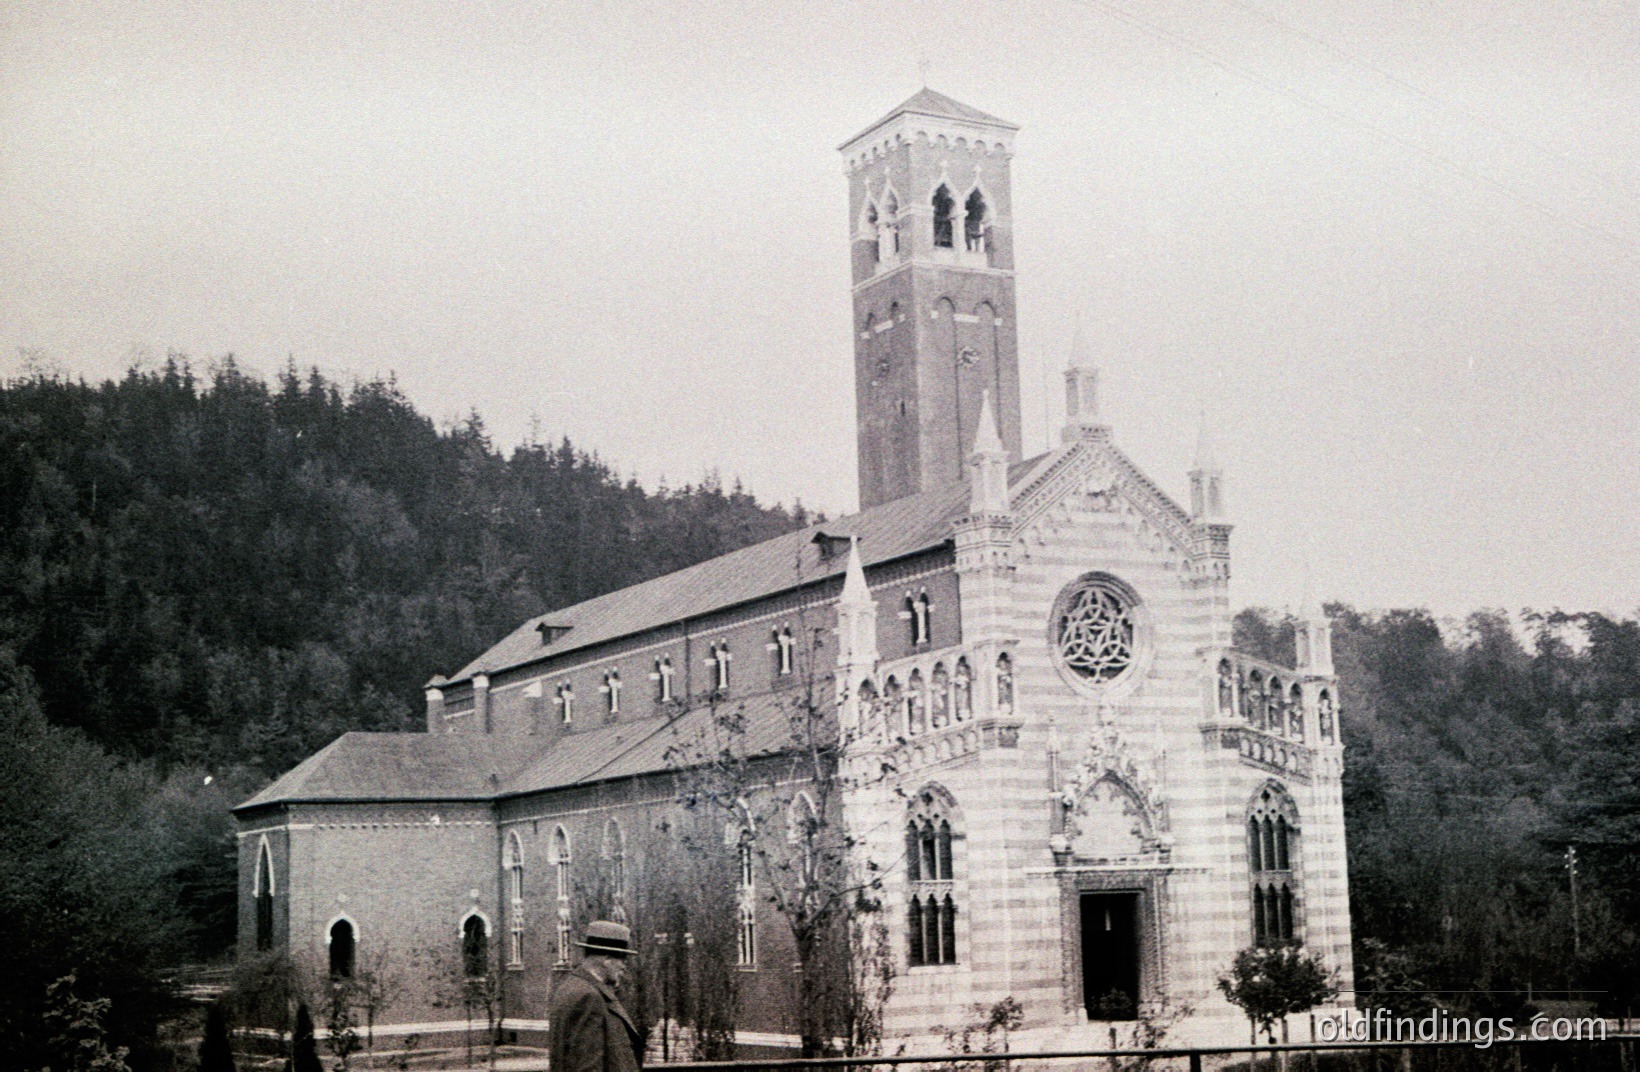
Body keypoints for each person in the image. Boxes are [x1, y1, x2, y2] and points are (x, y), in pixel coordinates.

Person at [549, 920, 644, 1072]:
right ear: (607, 960)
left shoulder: (572, 986)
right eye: (622, 959)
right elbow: (586, 1066)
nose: (624, 966)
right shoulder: (589, 997)